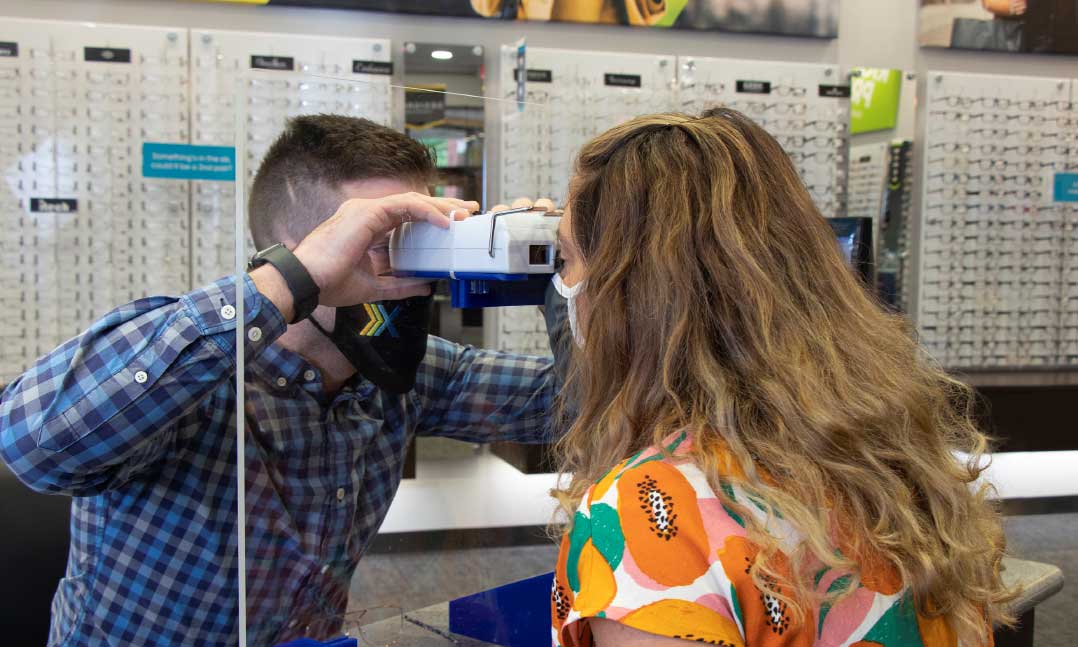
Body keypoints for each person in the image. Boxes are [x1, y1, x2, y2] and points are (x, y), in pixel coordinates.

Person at [0, 114, 559, 647]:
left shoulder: (415, 374)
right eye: (381, 237)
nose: (405, 268)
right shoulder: (195, 368)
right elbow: (35, 447)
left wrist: (571, 286)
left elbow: (584, 404)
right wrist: (297, 280)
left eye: (420, 239)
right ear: (299, 251)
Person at [546, 109, 1015, 647]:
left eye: (565, 257)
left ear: (629, 294)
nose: (562, 284)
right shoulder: (888, 459)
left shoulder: (643, 515)